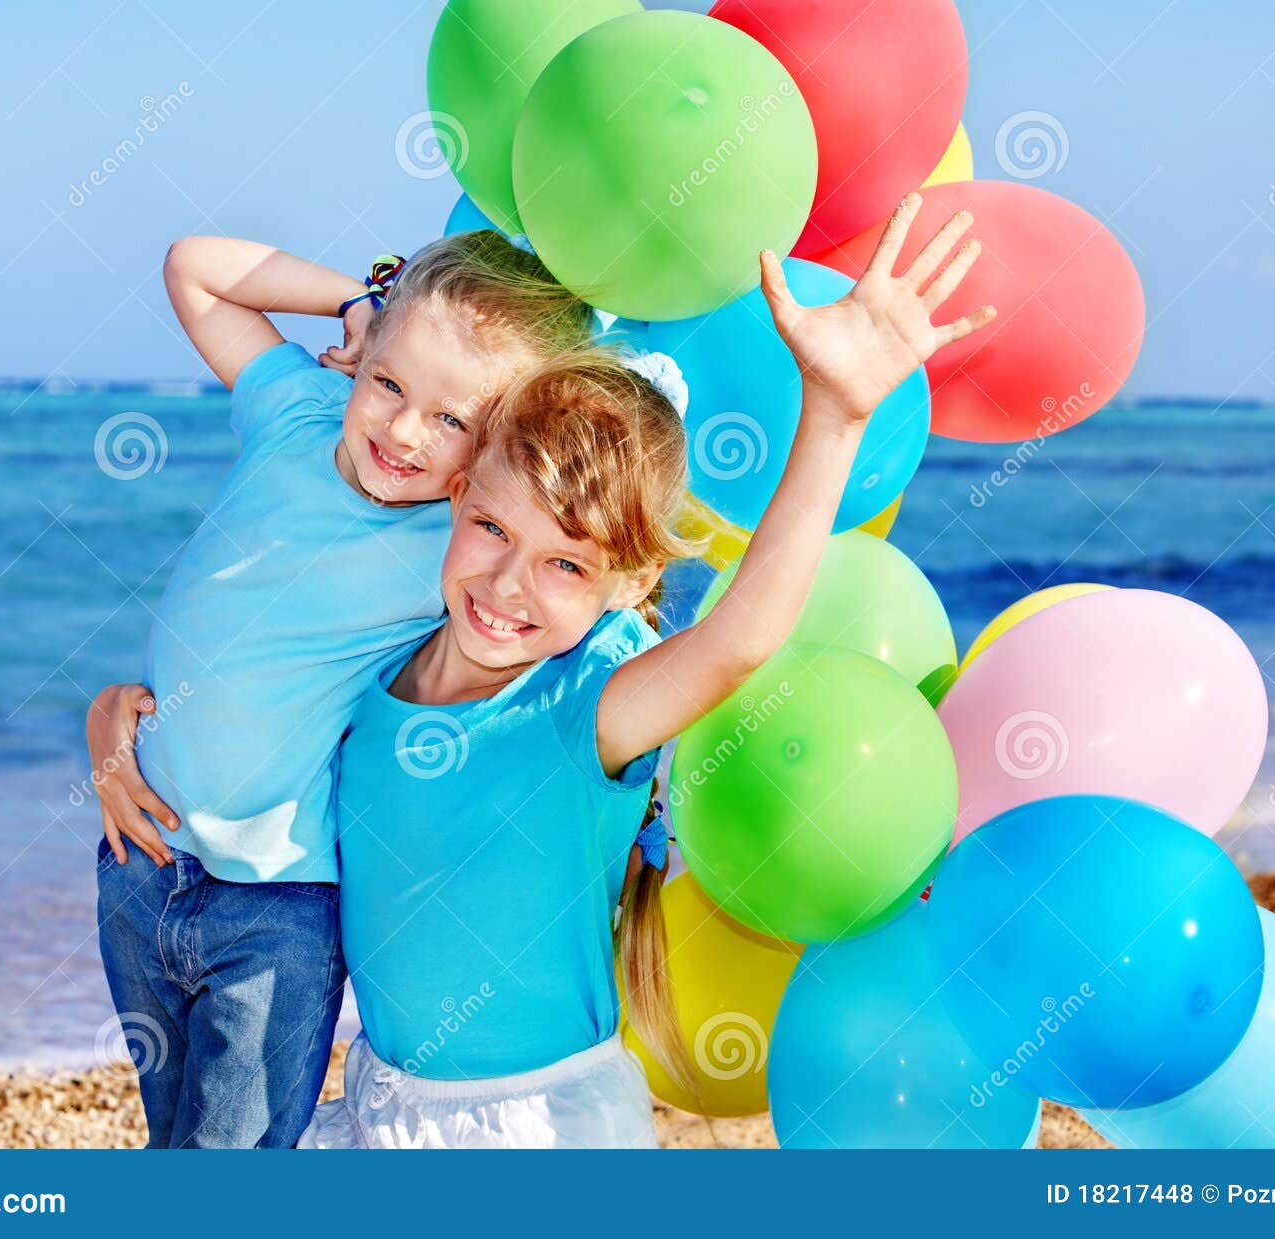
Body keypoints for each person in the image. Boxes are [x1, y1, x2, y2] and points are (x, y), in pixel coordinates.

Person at [305, 193, 996, 1148]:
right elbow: (244, 687)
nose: (508, 584)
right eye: (495, 529)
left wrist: (835, 413)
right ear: (457, 492)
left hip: (533, 1131)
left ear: (625, 582)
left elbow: (739, 637)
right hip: (377, 1107)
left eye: (566, 564)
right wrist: (122, 720)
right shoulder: (371, 671)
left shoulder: (581, 711)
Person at [87, 228, 595, 1147]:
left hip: (275, 910)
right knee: (170, 1136)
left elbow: (583, 584)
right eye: (391, 382)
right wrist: (363, 299)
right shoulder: (300, 410)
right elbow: (192, 266)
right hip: (138, 865)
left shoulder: (461, 538)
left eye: (452, 421)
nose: (402, 430)